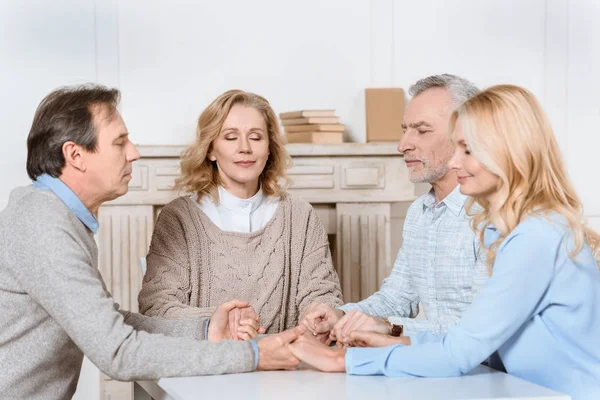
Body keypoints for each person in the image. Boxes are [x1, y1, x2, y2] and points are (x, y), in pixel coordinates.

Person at [288, 84, 600, 400]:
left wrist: (345, 359)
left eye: (467, 148)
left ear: (507, 151)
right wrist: (365, 326)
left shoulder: (536, 236)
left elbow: (463, 348)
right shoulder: (506, 230)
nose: (454, 161)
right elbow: (480, 343)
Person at [0, 85, 304, 399]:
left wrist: (206, 330)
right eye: (120, 142)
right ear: (75, 155)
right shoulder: (43, 225)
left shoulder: (54, 216)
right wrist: (252, 356)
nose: (134, 152)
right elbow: (117, 351)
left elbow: (111, 322)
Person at [138, 89, 343, 334]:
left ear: (269, 149)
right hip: (207, 367)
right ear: (211, 150)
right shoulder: (179, 218)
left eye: (256, 137)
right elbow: (156, 308)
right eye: (230, 137)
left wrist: (322, 314)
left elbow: (323, 293)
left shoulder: (300, 215)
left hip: (284, 365)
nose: (244, 148)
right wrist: (221, 321)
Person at [301, 74, 487, 344]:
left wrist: (393, 329)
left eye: (422, 131)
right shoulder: (419, 213)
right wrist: (341, 315)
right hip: (435, 367)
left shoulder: (493, 214)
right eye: (405, 129)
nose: (403, 145)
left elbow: (482, 329)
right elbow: (396, 298)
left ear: (465, 136)